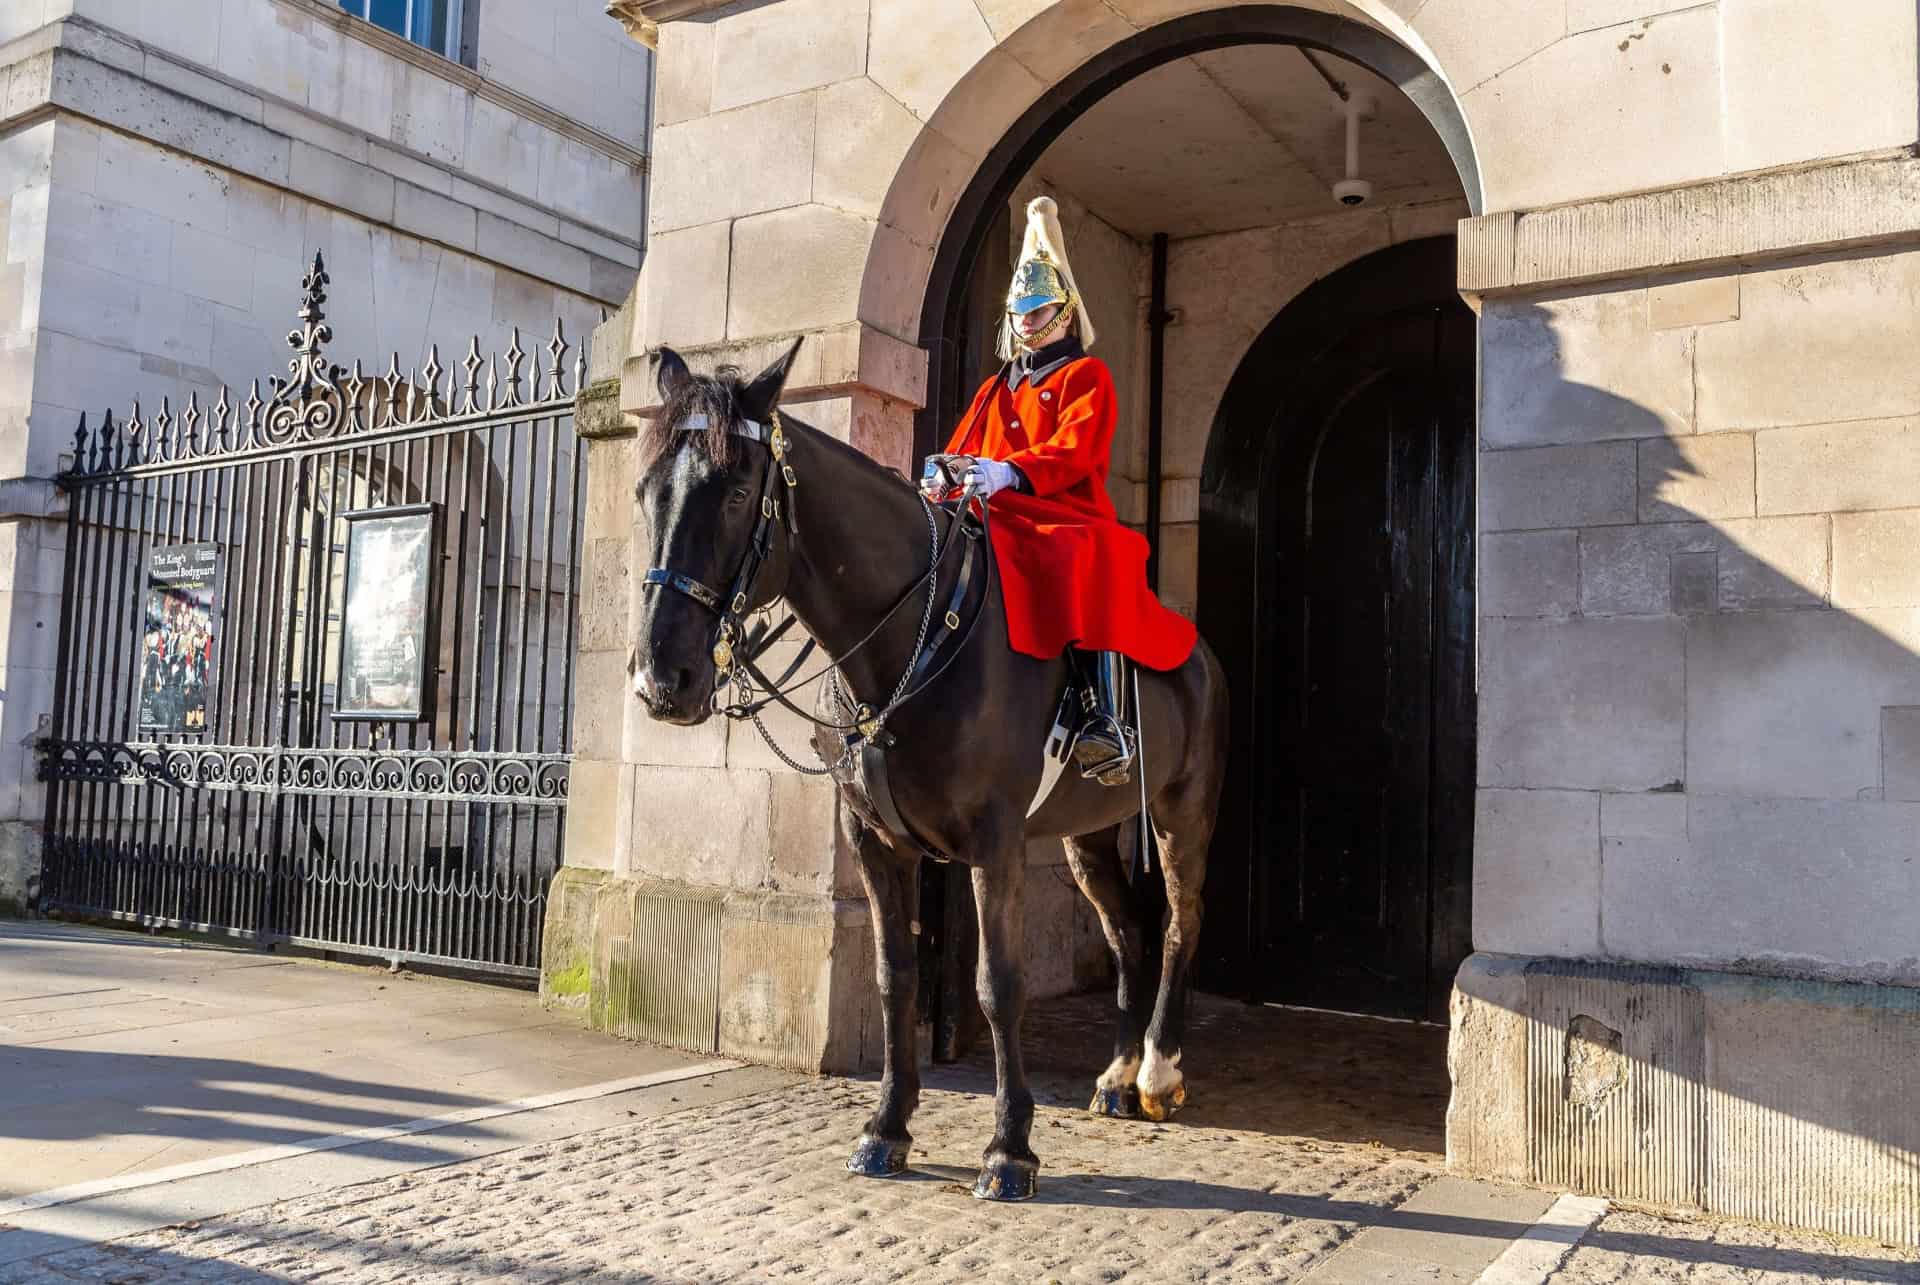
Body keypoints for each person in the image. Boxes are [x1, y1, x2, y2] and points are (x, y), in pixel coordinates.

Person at [925, 196, 1197, 786]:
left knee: (1080, 553)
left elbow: (1077, 451)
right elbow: (964, 441)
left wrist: (1008, 472)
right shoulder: (996, 385)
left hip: (1063, 508)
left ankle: (1100, 714)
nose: (1026, 320)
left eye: (1038, 309)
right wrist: (945, 472)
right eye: (1019, 311)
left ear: (1065, 315)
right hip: (996, 509)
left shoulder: (1085, 375)